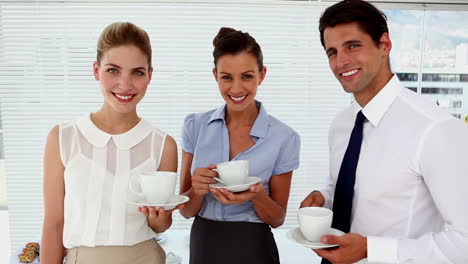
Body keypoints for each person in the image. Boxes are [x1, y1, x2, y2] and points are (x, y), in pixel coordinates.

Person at [300, 0, 468, 263]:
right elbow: (344, 183)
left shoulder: (435, 129)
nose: (341, 61)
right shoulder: (341, 124)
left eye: (353, 46)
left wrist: (371, 249)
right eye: (332, 52)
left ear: (384, 45)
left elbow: (464, 241)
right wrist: (325, 197)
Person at [40, 22, 179, 264]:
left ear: (149, 75)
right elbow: (53, 225)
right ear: (96, 71)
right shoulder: (63, 138)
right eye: (113, 70)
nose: (125, 84)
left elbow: (161, 226)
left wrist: (159, 216)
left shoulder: (163, 145)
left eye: (137, 72)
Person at [179, 27, 300, 264]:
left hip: (254, 246)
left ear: (261, 75)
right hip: (205, 242)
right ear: (215, 75)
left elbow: (277, 219)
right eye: (226, 77)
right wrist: (197, 189)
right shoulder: (195, 126)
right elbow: (185, 210)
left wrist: (256, 196)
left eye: (246, 76)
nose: (236, 89)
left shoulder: (284, 138)